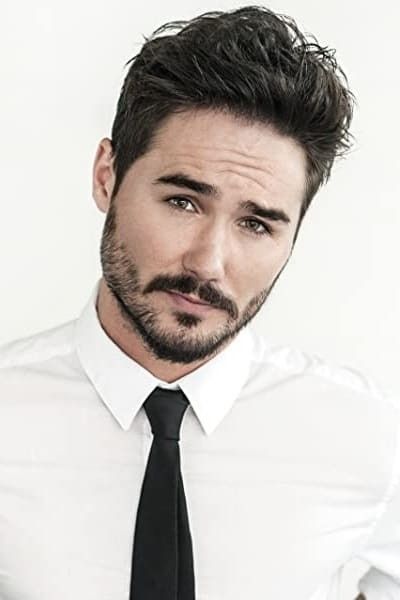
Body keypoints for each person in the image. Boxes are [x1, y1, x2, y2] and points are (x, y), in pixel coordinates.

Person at [0, 5, 398, 600]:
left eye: (257, 224)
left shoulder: (371, 439)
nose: (208, 263)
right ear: (107, 176)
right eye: (183, 202)